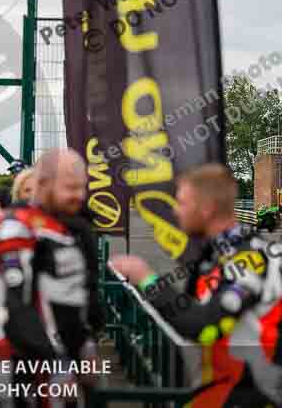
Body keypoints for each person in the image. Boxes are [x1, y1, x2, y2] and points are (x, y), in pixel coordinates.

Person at [111, 163, 282, 407]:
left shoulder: (248, 259)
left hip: (254, 395)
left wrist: (146, 277)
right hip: (223, 389)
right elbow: (190, 314)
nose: (176, 212)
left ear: (207, 209)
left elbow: (202, 325)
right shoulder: (214, 254)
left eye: (182, 202)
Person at [0, 148, 99, 402]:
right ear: (44, 185)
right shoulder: (17, 226)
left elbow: (83, 292)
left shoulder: (73, 227)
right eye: (70, 187)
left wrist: (86, 341)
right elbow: (15, 305)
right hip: (27, 365)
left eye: (81, 187)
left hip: (67, 358)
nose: (79, 195)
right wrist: (58, 364)